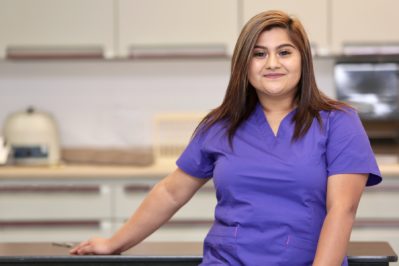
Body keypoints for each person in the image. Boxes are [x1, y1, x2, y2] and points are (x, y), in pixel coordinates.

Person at [70, 10, 382, 265]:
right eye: (259, 54)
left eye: (284, 52)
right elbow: (170, 193)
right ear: (244, 66)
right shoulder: (221, 125)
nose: (272, 63)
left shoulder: (338, 122)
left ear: (303, 60)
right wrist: (114, 242)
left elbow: (342, 209)